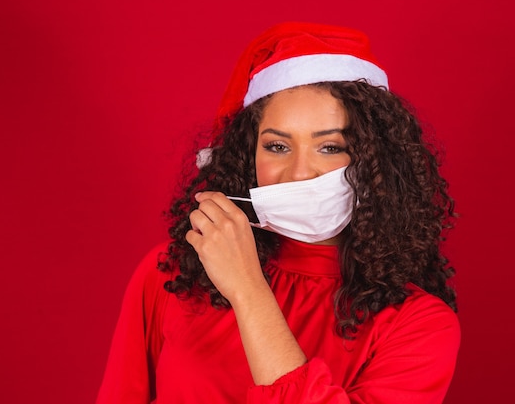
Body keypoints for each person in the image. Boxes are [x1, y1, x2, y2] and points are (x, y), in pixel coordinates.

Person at [96, 22, 460, 404]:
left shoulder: (420, 325)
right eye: (277, 147)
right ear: (247, 156)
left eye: (331, 147)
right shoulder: (171, 274)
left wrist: (249, 290)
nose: (300, 172)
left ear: (375, 163)